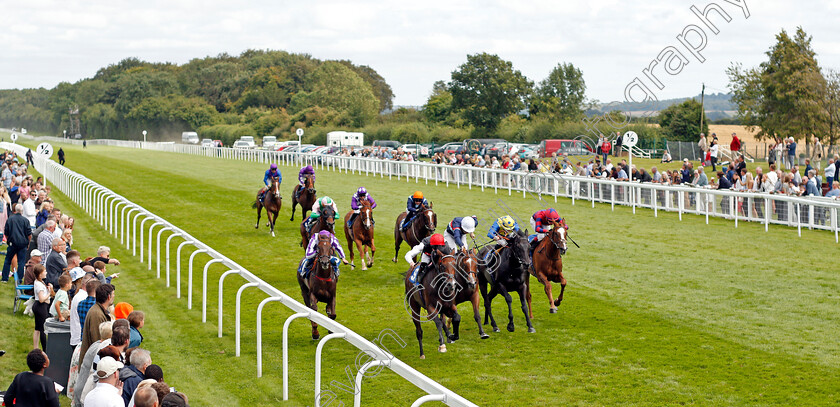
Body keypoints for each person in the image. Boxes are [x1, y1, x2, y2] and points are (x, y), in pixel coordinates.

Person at [80, 283, 115, 359]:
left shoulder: (98, 311)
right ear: (109, 297)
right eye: (113, 294)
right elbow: (98, 342)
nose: (114, 296)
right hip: (92, 363)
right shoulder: (97, 314)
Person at [2, 203, 31, 282]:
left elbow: (6, 232)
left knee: (8, 260)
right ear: (22, 211)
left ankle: (4, 278)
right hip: (23, 243)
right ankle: (19, 279)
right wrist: (28, 243)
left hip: (12, 243)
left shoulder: (10, 219)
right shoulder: (25, 220)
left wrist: (9, 240)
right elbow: (29, 234)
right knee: (21, 262)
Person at [32, 264, 53, 350]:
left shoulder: (39, 281)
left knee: (37, 329)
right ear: (40, 274)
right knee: (42, 329)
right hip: (40, 307)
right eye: (44, 271)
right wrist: (49, 293)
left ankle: (35, 348)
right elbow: (41, 299)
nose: (46, 272)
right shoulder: (39, 285)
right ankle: (45, 349)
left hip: (38, 306)